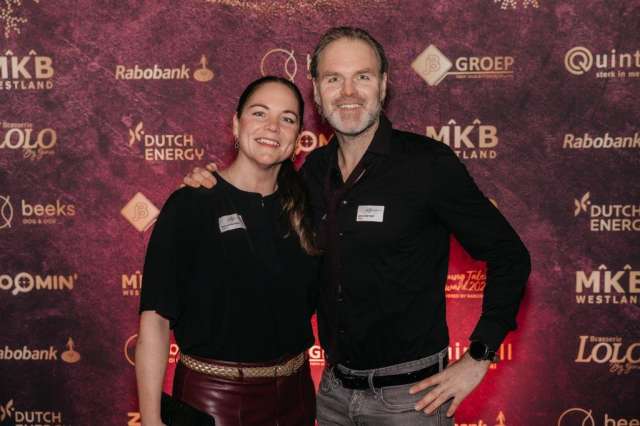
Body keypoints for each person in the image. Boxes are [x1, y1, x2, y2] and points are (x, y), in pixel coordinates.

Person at [184, 27, 531, 425]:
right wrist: (210, 190)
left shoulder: (427, 164)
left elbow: (510, 256)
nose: (348, 92)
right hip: (331, 397)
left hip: (411, 402)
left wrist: (479, 356)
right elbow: (262, 231)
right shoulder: (311, 173)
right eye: (334, 79)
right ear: (317, 91)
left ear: (383, 85)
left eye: (362, 77)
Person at [135, 76, 319, 426]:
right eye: (259, 113)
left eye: (287, 118)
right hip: (214, 402)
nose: (272, 126)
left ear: (298, 138)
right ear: (236, 124)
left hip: (296, 399)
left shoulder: (307, 209)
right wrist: (151, 420)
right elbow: (155, 321)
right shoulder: (191, 204)